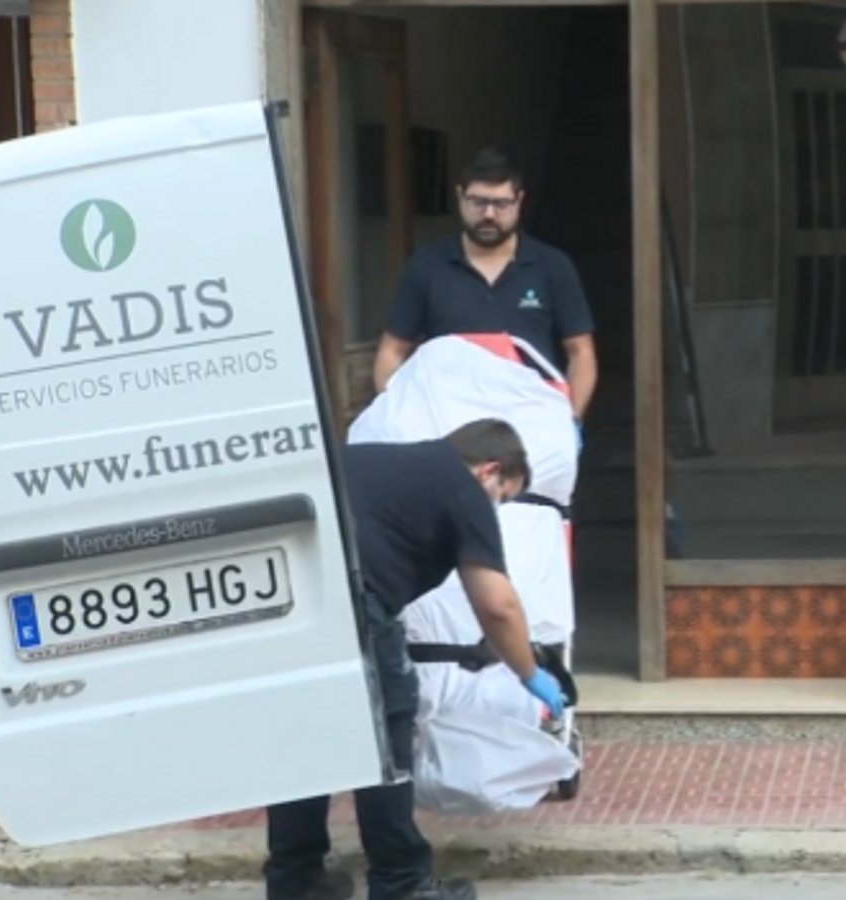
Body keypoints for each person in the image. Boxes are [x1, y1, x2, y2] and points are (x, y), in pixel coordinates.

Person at [264, 418, 569, 900]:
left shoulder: (366, 458)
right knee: (383, 739)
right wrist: (531, 674)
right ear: (490, 471)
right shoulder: (463, 489)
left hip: (286, 602)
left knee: (304, 739)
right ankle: (402, 884)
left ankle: (295, 881)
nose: (496, 508)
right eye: (503, 496)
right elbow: (496, 605)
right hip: (359, 604)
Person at [373, 148, 597, 447]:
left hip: (532, 430)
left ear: (519, 201)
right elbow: (392, 351)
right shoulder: (426, 267)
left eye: (501, 204)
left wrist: (569, 421)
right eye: (478, 202)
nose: (489, 214)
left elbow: (581, 353)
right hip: (448, 430)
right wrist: (399, 419)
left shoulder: (552, 266)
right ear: (460, 196)